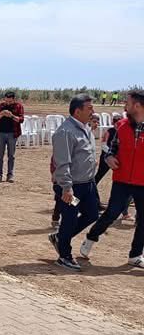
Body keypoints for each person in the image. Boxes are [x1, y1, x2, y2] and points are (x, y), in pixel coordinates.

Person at [80, 90, 144, 269]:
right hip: (122, 180)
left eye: (128, 103)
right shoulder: (121, 126)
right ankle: (91, 238)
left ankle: (135, 255)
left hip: (142, 183)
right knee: (111, 213)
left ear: (137, 105)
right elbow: (111, 149)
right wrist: (109, 158)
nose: (125, 106)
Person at [49, 93, 98, 270]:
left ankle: (60, 237)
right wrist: (67, 188)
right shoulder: (65, 132)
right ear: (77, 111)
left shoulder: (85, 127)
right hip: (71, 187)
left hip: (88, 184)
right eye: (89, 108)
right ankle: (64, 256)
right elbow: (62, 163)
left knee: (92, 214)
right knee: (69, 218)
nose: (93, 111)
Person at [0, 90, 24, 183]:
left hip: (12, 133)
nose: (8, 103)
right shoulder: (1, 106)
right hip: (1, 133)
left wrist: (11, 116)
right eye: (6, 101)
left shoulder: (19, 106)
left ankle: (10, 175)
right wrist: (1, 115)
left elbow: (21, 120)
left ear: (14, 99)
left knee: (11, 155)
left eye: (10, 101)